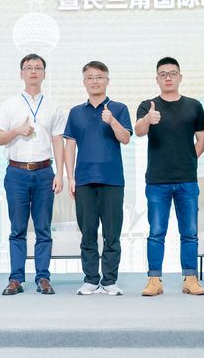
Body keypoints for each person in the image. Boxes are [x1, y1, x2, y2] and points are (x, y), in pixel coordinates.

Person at [0, 54, 65, 295]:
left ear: (44, 73)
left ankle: (43, 277)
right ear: (21, 73)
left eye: (38, 68)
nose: (33, 71)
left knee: (43, 229)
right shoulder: (9, 105)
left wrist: (60, 174)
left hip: (44, 172)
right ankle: (16, 279)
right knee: (18, 229)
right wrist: (17, 130)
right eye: (28, 68)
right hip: (17, 172)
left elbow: (58, 141)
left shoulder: (53, 106)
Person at [135, 57, 204, 296]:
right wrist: (148, 120)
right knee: (156, 232)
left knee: (190, 233)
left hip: (187, 180)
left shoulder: (193, 105)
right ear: (157, 78)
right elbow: (138, 131)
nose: (168, 78)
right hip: (157, 180)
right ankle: (154, 280)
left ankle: (190, 279)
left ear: (180, 77)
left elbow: (202, 139)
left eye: (172, 73)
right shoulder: (148, 105)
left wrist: (190, 159)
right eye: (163, 74)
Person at [64, 61, 132, 296]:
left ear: (107, 81)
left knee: (112, 234)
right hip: (84, 180)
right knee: (88, 233)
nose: (95, 81)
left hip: (112, 180)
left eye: (99, 77)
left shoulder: (119, 108)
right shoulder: (76, 112)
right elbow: (70, 145)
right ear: (84, 82)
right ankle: (91, 279)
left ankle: (110, 280)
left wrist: (112, 121)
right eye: (90, 77)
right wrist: (70, 177)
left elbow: (125, 139)